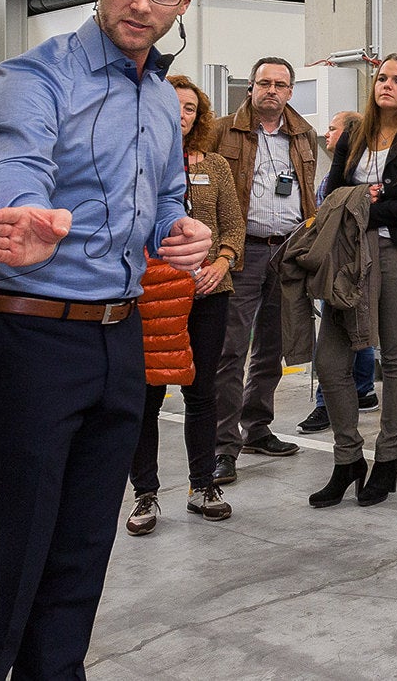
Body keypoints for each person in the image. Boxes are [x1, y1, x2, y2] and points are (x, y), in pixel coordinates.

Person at [0, 0, 212, 679]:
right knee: (11, 551)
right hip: (34, 339)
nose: (141, 3)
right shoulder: (34, 77)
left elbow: (169, 190)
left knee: (82, 548)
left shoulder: (156, 97)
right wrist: (26, 216)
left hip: (120, 337)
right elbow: (16, 160)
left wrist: (185, 228)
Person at [310, 54, 397, 508]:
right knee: (330, 359)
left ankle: (387, 459)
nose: (386, 85)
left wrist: (372, 203)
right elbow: (331, 191)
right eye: (382, 78)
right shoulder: (354, 133)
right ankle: (348, 457)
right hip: (348, 256)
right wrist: (358, 200)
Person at [125, 75, 244, 535]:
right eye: (173, 104)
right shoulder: (138, 161)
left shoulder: (214, 165)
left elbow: (233, 227)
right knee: (147, 394)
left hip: (207, 293)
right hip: (151, 295)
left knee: (202, 392)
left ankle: (203, 486)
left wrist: (223, 263)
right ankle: (146, 495)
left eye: (190, 108)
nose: (181, 114)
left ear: (200, 116)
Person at [211, 56, 319, 484]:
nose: (272, 90)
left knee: (274, 346)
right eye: (264, 83)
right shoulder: (223, 130)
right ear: (250, 88)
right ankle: (224, 445)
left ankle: (257, 427)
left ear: (290, 91)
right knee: (231, 349)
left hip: (289, 252)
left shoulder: (304, 135)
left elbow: (309, 194)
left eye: (280, 84)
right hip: (242, 252)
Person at [299, 109, 377, 436]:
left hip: (345, 263)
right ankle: (362, 389)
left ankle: (324, 404)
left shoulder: (353, 176)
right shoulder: (337, 173)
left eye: (333, 130)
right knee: (354, 327)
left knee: (336, 335)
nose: (327, 135)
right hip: (341, 261)